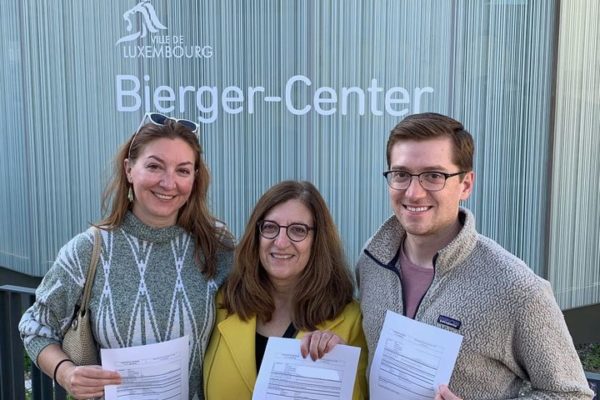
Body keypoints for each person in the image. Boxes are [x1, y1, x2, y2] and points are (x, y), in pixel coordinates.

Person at [356, 112, 593, 399]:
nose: (414, 192)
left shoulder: (516, 288)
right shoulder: (371, 262)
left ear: (466, 185)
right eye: (401, 174)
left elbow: (572, 394)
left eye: (434, 176)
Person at [19, 113, 234, 400]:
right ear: (129, 169)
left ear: (195, 178)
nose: (169, 183)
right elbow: (35, 327)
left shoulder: (215, 247)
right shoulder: (88, 249)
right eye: (155, 166)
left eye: (183, 170)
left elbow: (265, 307)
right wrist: (66, 373)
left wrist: (315, 333)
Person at [203, 180, 368, 400]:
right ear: (257, 235)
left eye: (298, 230)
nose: (280, 242)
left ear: (317, 241)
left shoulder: (351, 321)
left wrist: (339, 365)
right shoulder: (223, 303)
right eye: (270, 227)